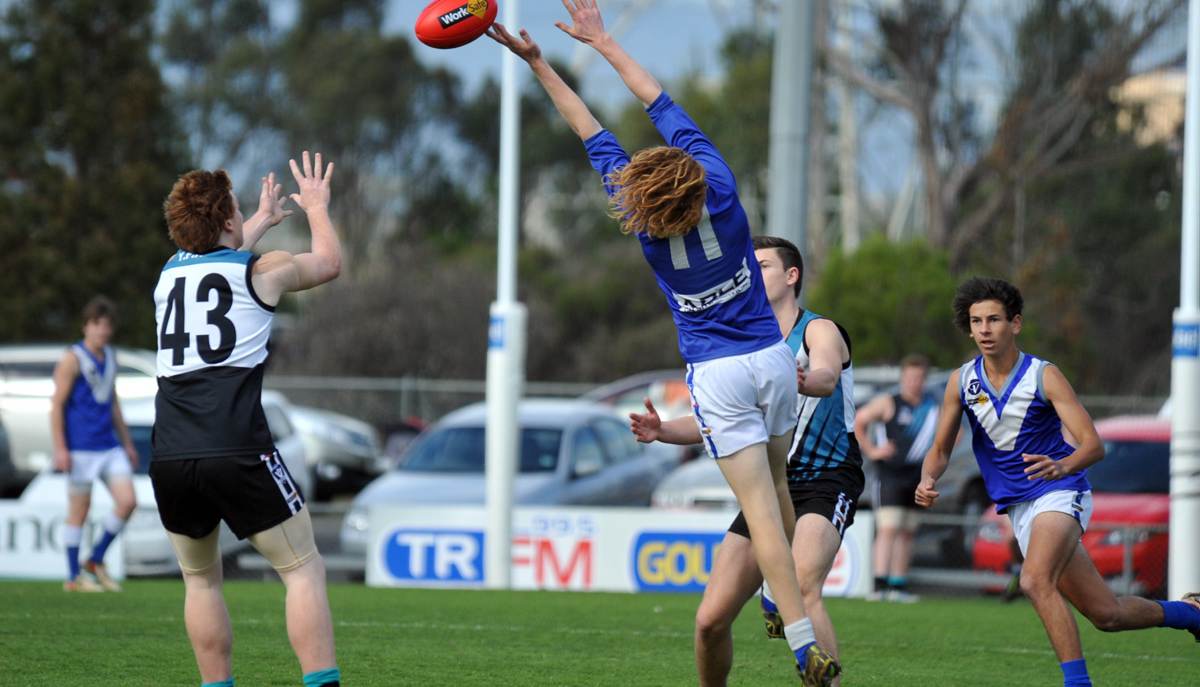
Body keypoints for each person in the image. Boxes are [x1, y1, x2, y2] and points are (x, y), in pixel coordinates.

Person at [486, 3, 838, 684]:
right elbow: (657, 99)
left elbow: (589, 129)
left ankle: (802, 643)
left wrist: (537, 64)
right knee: (778, 484)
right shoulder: (723, 191)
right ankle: (779, 597)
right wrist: (604, 42)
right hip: (772, 359)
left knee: (758, 511)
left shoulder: (642, 221)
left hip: (718, 374)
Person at [916, 277, 1200, 687]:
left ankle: (1077, 683)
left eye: (994, 319)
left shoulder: (1043, 375)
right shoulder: (961, 381)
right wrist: (928, 477)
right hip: (1019, 507)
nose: (984, 329)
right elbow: (941, 449)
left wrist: (1062, 466)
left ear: (1015, 323)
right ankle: (1190, 614)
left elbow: (1092, 445)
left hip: (1060, 493)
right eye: (976, 321)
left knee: (1034, 580)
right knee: (1107, 614)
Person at [630, 236, 862, 687]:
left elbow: (827, 377)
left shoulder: (817, 329)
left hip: (825, 477)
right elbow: (720, 423)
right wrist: (663, 431)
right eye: (749, 266)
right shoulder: (742, 343)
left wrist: (801, 379)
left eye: (764, 265)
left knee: (802, 587)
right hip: (768, 487)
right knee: (709, 621)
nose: (753, 273)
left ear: (792, 276)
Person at [152, 154, 342, 687]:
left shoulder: (166, 276)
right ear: (227, 219)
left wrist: (257, 219)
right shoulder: (263, 270)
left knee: (200, 581)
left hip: (171, 453)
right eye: (236, 209)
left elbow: (213, 254)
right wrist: (316, 208)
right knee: (302, 568)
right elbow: (328, 263)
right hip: (234, 445)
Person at [50, 296, 140, 593]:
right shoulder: (72, 358)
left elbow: (113, 403)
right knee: (79, 510)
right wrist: (60, 448)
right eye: (97, 324)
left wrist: (127, 443)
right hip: (80, 448)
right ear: (85, 326)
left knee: (128, 502)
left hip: (109, 446)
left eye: (107, 325)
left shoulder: (111, 356)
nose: (102, 330)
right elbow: (57, 405)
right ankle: (73, 576)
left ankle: (96, 559)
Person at [854, 353, 939, 602]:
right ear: (903, 378)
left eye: (919, 378)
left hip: (916, 476)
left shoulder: (932, 407)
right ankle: (880, 585)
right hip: (889, 474)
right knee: (888, 528)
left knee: (907, 531)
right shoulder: (888, 402)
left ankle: (898, 586)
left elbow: (952, 435)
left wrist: (934, 458)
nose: (914, 382)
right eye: (910, 377)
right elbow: (859, 421)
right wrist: (872, 451)